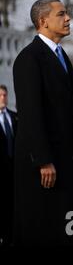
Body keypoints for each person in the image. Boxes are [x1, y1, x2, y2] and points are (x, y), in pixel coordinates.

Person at [12, 0, 73, 245]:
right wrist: (44, 160)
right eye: (61, 14)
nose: (68, 18)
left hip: (66, 161)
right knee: (44, 231)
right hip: (44, 166)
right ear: (43, 21)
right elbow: (31, 113)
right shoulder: (30, 58)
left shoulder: (63, 57)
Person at [0, 85, 17, 246]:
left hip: (14, 172)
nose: (3, 98)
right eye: (0, 95)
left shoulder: (14, 117)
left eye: (5, 95)